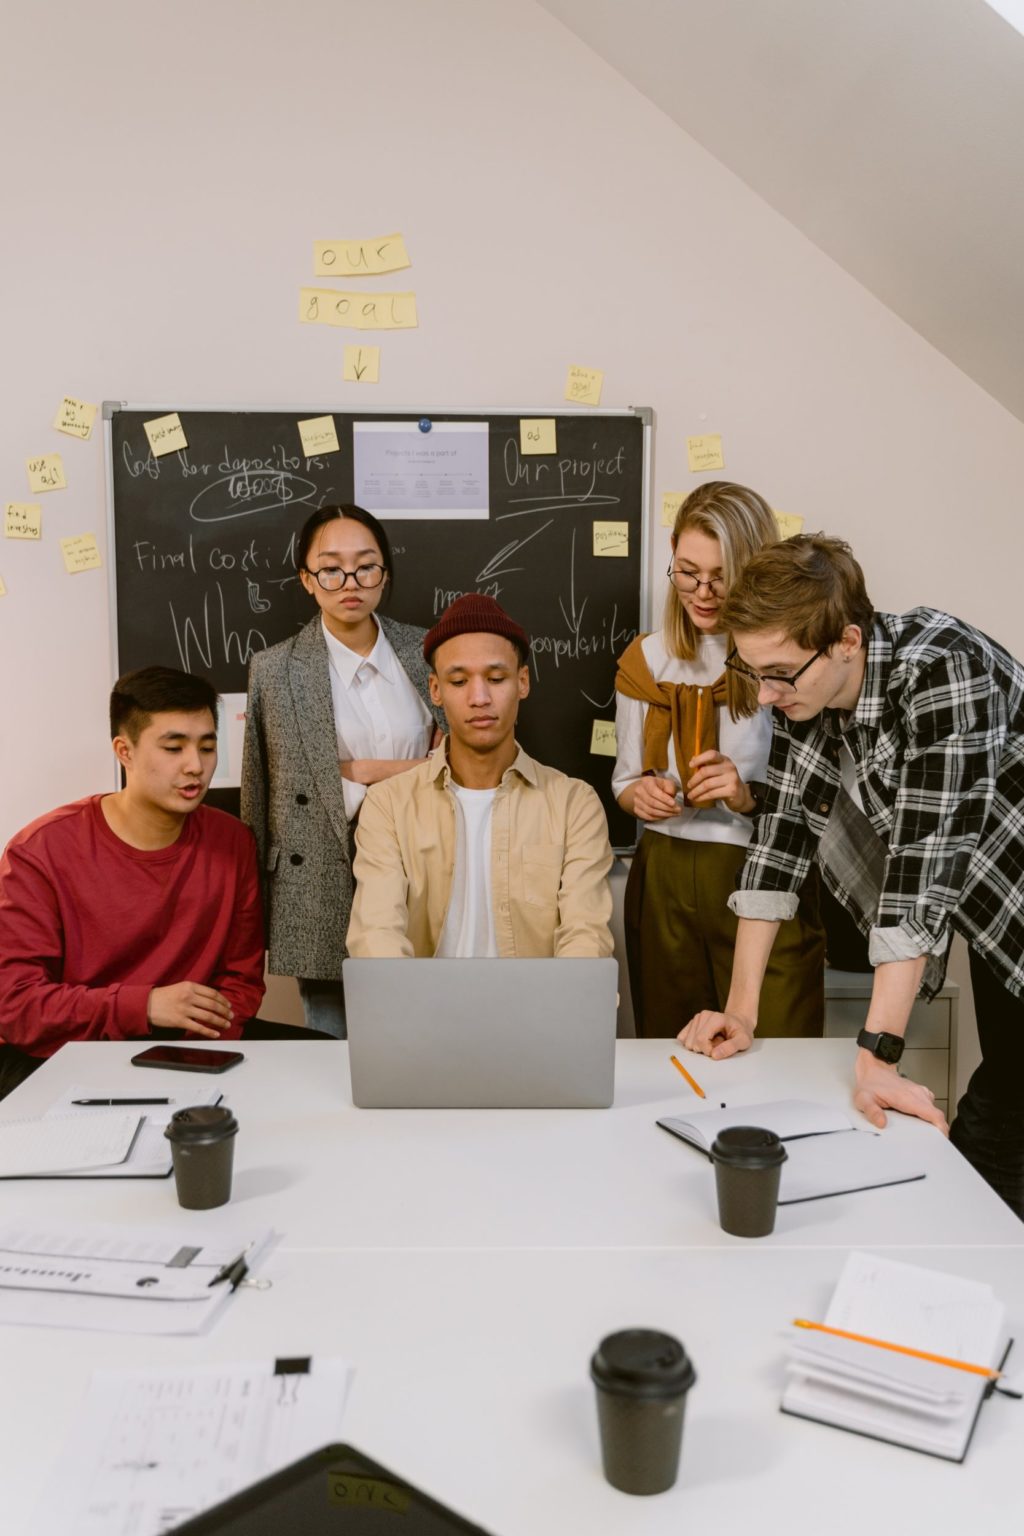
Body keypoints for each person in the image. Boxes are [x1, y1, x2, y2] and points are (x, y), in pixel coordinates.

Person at [677, 533, 1024, 1218]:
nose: (767, 694)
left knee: (1001, 1120)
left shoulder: (942, 670)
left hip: (998, 893)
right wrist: (741, 1012)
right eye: (753, 673)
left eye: (779, 673)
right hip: (996, 916)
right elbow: (777, 846)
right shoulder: (809, 694)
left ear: (847, 641)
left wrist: (876, 1057)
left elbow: (918, 876)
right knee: (1010, 1101)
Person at [613, 482, 824, 1037]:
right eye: (687, 572)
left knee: (776, 1050)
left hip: (763, 867)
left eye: (721, 575)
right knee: (673, 1048)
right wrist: (640, 795)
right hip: (662, 870)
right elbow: (623, 781)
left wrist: (743, 794)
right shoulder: (646, 660)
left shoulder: (786, 659)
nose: (703, 592)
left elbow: (819, 794)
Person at [0, 667, 265, 1098]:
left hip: (186, 1046)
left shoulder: (232, 842)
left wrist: (194, 1056)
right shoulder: (39, 851)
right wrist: (145, 1005)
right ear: (124, 750)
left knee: (323, 1062)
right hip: (61, 1055)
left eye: (208, 746)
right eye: (173, 747)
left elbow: (241, 981)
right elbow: (15, 1006)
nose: (195, 766)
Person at [241, 504, 446, 1036]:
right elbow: (267, 793)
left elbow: (464, 763)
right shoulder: (274, 669)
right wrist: (410, 768)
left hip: (425, 863)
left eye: (366, 566)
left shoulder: (430, 651)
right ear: (307, 579)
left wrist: (361, 768)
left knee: (429, 1036)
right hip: (320, 880)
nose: (349, 582)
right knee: (333, 1049)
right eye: (330, 568)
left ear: (385, 573)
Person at [346, 593, 614, 959]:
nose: (479, 697)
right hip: (425, 1010)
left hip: (534, 1011)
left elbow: (586, 938)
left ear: (522, 682)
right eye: (458, 682)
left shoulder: (573, 804)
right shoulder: (389, 805)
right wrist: (409, 1011)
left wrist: (553, 1011)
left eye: (496, 677)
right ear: (436, 690)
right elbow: (378, 937)